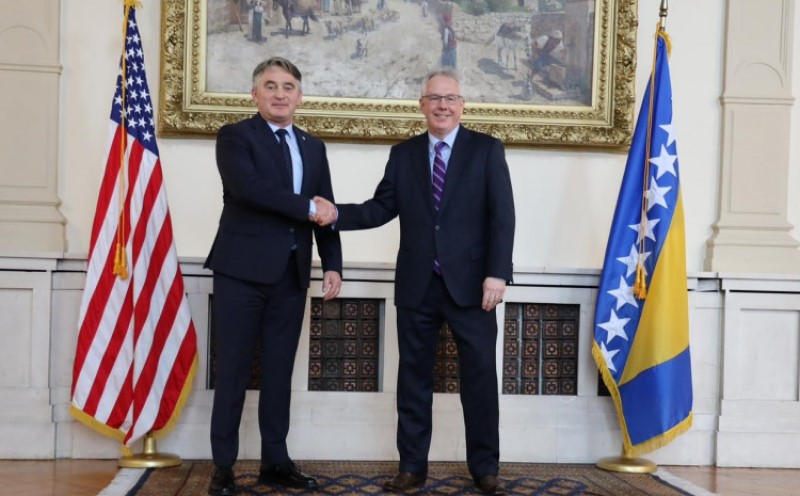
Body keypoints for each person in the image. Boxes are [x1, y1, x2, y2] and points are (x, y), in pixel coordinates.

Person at [314, 68, 515, 495]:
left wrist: (497, 274)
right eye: (434, 98)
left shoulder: (486, 150)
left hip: (472, 287)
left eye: (450, 98)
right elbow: (380, 208)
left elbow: (503, 216)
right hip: (417, 285)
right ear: (422, 105)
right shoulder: (403, 154)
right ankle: (411, 467)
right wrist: (335, 214)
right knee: (413, 381)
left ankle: (485, 469)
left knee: (480, 381)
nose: (443, 105)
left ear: (462, 106)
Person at [204, 56, 342, 496]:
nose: (280, 94)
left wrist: (333, 263)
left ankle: (275, 462)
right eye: (270, 86)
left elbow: (325, 206)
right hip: (240, 274)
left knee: (279, 375)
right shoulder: (235, 136)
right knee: (232, 372)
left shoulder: (313, 146)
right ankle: (223, 467)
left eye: (288, 87)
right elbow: (250, 189)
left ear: (299, 97)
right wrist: (307, 207)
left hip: (290, 276)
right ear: (255, 94)